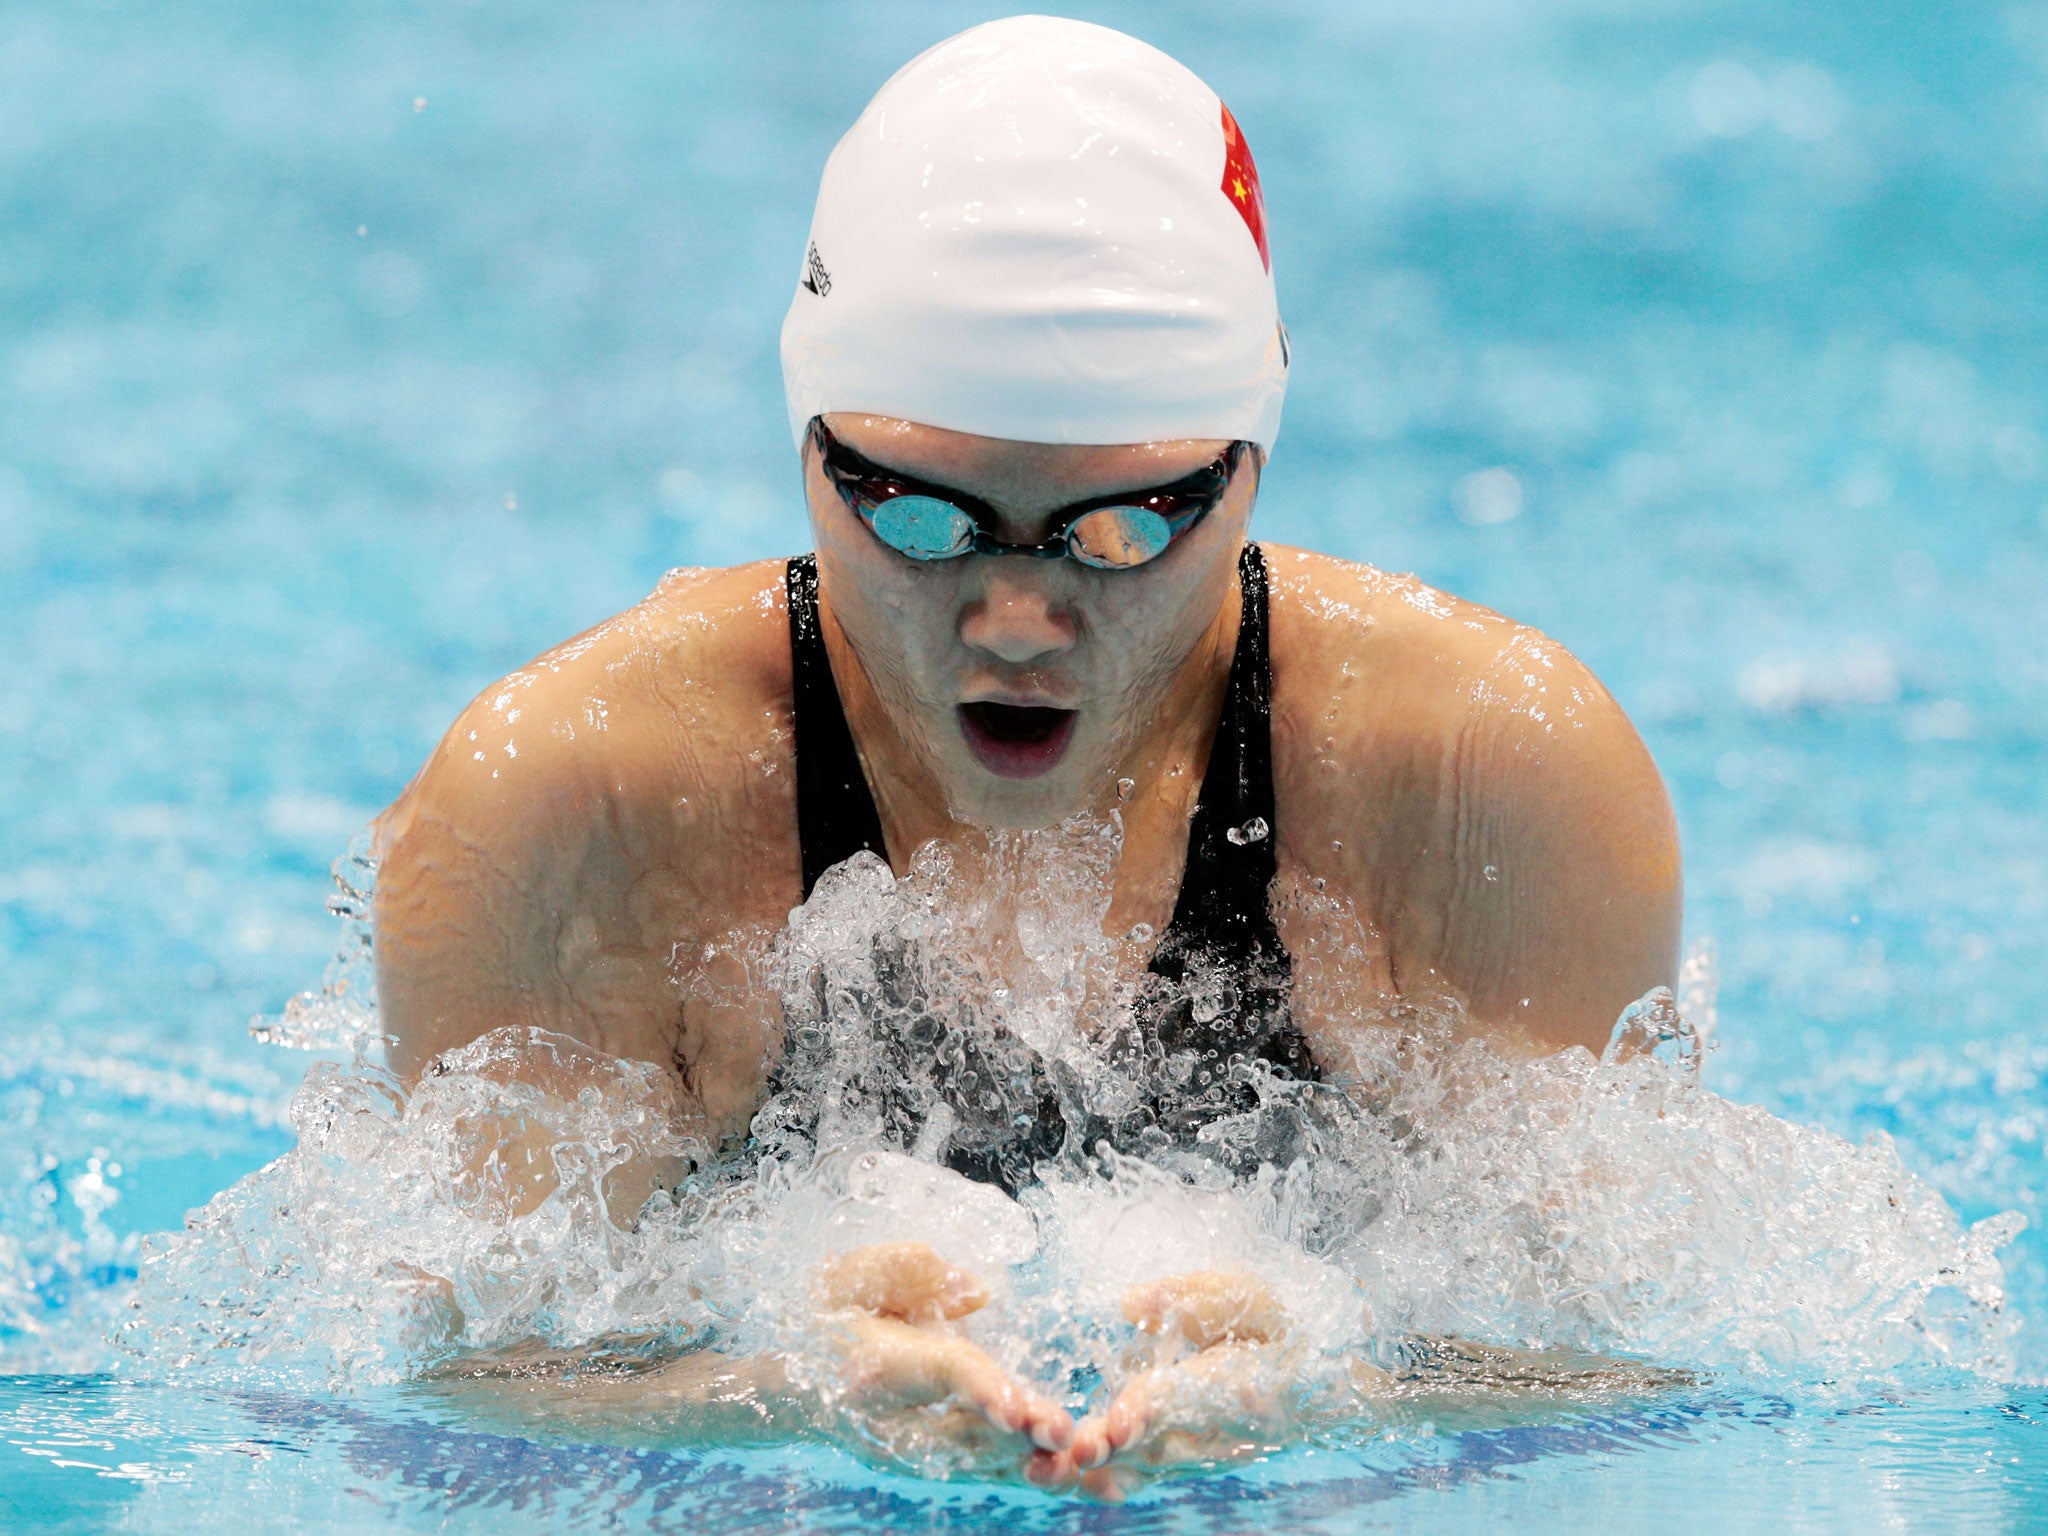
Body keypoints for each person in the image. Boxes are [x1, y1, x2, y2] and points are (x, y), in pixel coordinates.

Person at [372, 15, 1680, 1496]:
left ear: (1250, 463)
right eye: (918, 514)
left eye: (1123, 528)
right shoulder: (575, 800)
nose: (1016, 620)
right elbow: (476, 1395)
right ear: (807, 445)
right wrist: (780, 1392)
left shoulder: (1485, 779)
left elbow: (1616, 1369)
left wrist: (1339, 1390)